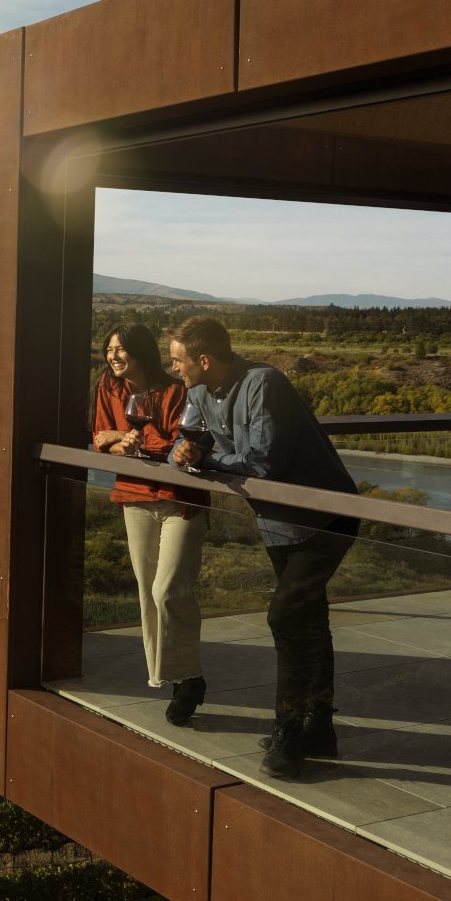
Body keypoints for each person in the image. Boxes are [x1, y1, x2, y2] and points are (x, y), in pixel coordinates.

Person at [165, 314, 359, 778]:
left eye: (177, 361)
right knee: (309, 621)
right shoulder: (196, 393)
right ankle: (320, 728)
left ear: (204, 359)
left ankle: (289, 733)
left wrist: (208, 459)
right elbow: (186, 439)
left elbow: (264, 462)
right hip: (279, 523)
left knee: (286, 617)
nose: (174, 369)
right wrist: (182, 452)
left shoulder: (263, 383)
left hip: (325, 518)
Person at [90, 323, 209, 725]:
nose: (113, 356)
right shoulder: (108, 387)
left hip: (180, 500)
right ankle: (171, 678)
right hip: (134, 495)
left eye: (121, 349)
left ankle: (189, 675)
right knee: (146, 591)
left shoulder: (175, 390)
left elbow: (181, 443)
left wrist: (124, 437)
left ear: (141, 351)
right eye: (109, 350)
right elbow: (98, 438)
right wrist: (116, 440)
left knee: (168, 590)